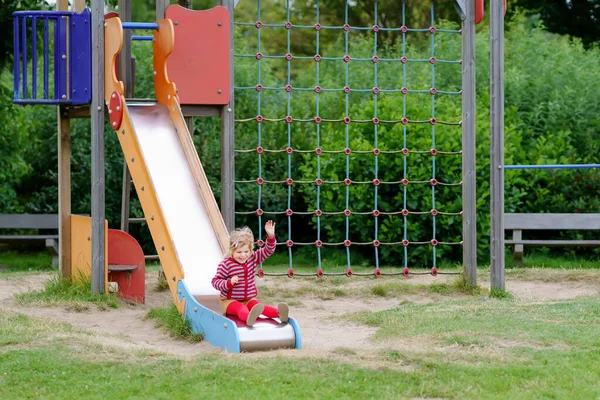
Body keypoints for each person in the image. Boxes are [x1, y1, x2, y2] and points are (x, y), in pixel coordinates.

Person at [211, 220, 289, 327]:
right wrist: (229, 283)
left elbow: (268, 251)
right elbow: (215, 282)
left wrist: (271, 237)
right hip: (230, 301)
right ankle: (249, 318)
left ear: (251, 250)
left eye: (246, 252)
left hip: (249, 299)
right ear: (232, 251)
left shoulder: (253, 259)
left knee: (260, 306)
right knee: (241, 309)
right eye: (239, 252)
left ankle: (279, 314)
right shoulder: (226, 264)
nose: (243, 255)